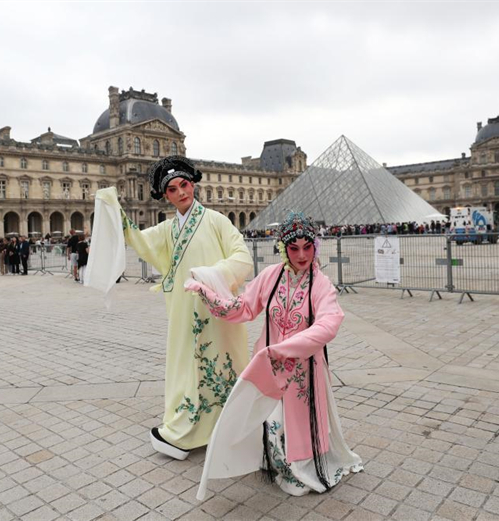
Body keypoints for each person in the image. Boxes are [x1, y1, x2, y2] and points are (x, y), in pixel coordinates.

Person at [86, 155, 252, 460]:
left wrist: (209, 277)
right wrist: (114, 211)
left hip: (213, 309)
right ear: (166, 196)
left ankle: (225, 426)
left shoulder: (216, 221)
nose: (181, 193)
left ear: (193, 184)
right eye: (173, 189)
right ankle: (188, 425)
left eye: (184, 185)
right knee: (185, 364)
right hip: (181, 311)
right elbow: (139, 241)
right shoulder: (167, 229)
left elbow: (243, 258)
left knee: (217, 362)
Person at [190, 212, 362, 499]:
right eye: (293, 248)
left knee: (292, 422)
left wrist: (286, 348)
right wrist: (207, 293)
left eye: (307, 247)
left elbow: (328, 323)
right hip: (268, 365)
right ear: (283, 248)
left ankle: (300, 465)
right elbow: (243, 308)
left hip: (302, 370)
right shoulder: (270, 276)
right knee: (270, 421)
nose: (302, 255)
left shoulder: (321, 284)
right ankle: (278, 464)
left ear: (315, 247)